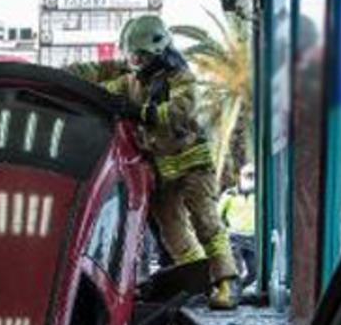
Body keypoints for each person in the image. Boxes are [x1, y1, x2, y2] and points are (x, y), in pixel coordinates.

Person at [68, 15, 239, 309]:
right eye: (131, 55)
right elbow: (94, 74)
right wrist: (58, 77)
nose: (135, 60)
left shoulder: (181, 77)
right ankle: (196, 281)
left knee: (206, 222)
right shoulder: (130, 78)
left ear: (158, 50)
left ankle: (226, 283)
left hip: (192, 165)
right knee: (172, 231)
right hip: (160, 172)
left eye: (141, 55)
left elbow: (179, 111)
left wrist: (141, 112)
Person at [219, 163, 257, 288]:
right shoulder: (230, 195)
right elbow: (218, 214)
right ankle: (234, 293)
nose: (251, 178)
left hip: (253, 237)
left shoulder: (259, 194)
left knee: (254, 272)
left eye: (253, 175)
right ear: (240, 176)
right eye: (248, 175)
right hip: (234, 236)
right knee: (236, 270)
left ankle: (239, 289)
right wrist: (223, 232)